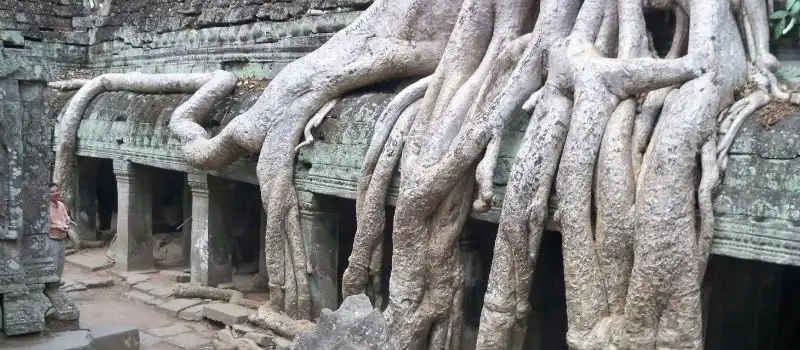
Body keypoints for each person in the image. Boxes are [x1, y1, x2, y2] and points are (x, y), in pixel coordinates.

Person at [48, 182, 73, 281]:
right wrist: (58, 226)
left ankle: (57, 284)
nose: (55, 193)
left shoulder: (61, 205)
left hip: (62, 238)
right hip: (52, 239)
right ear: (47, 194)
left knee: (61, 262)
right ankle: (50, 286)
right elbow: (45, 224)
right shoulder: (45, 207)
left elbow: (66, 216)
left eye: (57, 190)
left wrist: (68, 220)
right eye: (52, 192)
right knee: (53, 263)